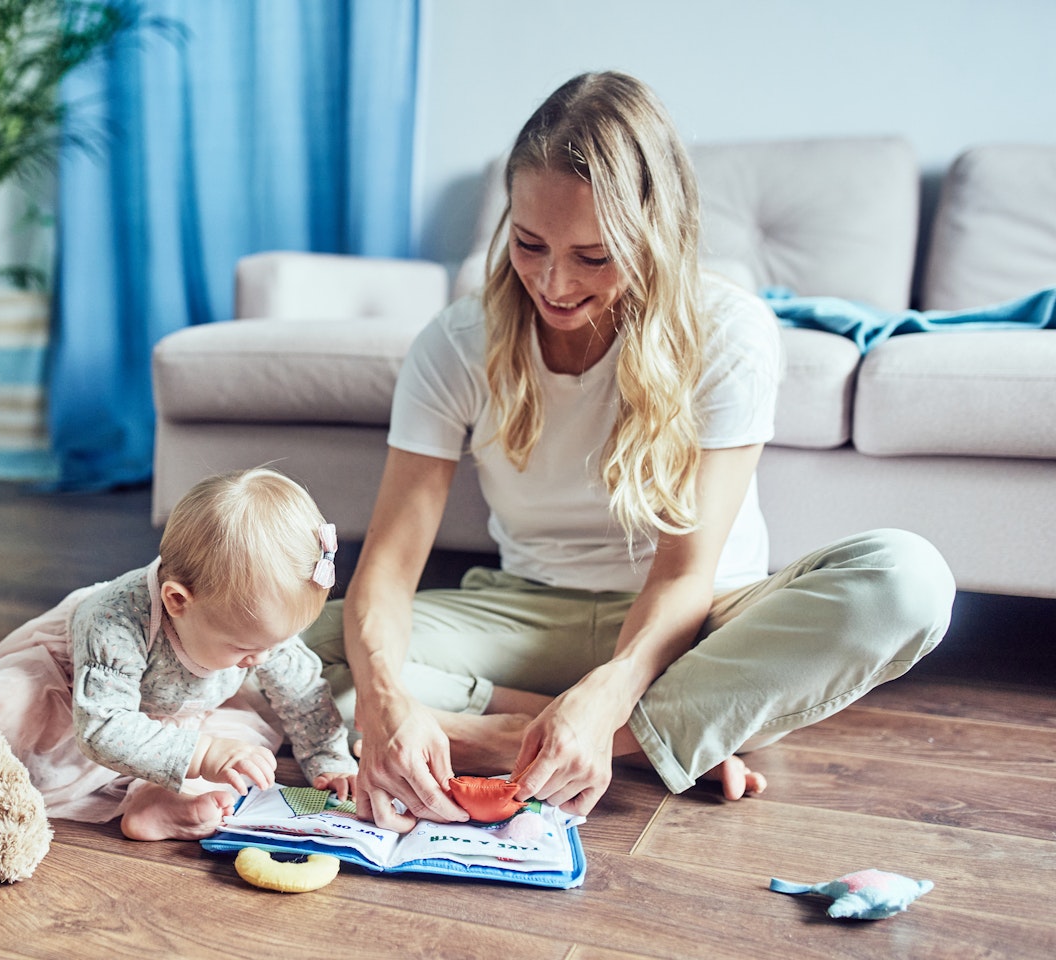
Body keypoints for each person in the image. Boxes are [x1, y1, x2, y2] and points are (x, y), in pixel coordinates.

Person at [302, 71, 955, 832]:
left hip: (696, 625)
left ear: (656, 238)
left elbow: (683, 576)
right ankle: (642, 736)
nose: (553, 281)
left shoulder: (729, 333)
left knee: (906, 582)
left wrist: (610, 691)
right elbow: (388, 561)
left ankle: (531, 735)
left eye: (594, 256)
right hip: (530, 613)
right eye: (529, 243)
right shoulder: (455, 344)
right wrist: (384, 705)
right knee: (288, 646)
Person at [0, 467, 357, 841]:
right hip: (78, 707)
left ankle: (155, 800)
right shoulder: (113, 621)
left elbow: (303, 695)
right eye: (246, 647)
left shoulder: (254, 633)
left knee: (241, 753)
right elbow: (102, 729)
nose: (263, 658)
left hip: (178, 713)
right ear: (177, 601)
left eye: (277, 642)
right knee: (1, 719)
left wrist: (330, 758)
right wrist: (203, 753)